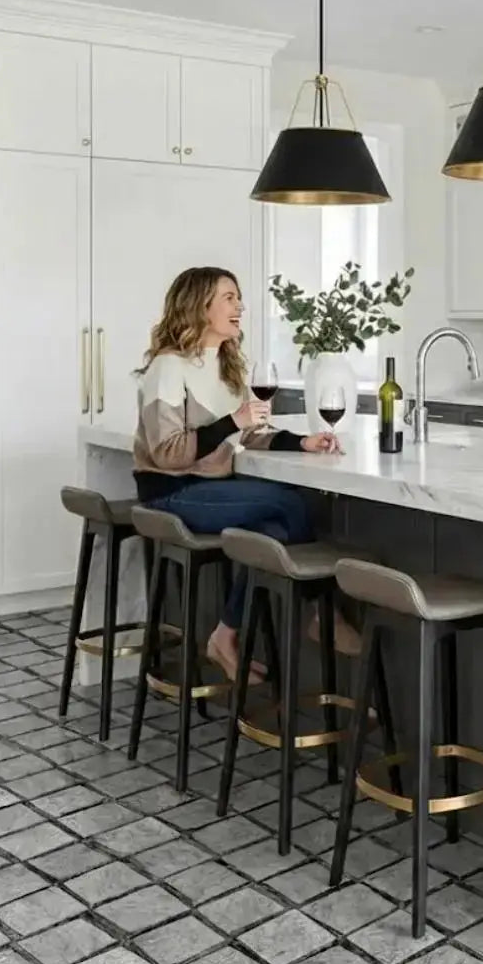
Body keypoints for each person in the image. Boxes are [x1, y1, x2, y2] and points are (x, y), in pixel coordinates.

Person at [132, 266, 352, 682]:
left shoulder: (227, 365)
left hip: (207, 487)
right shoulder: (168, 366)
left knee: (271, 532)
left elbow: (250, 434)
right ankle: (317, 612)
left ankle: (225, 634)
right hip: (170, 492)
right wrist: (232, 421)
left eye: (239, 298)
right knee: (289, 501)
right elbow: (167, 454)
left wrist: (301, 441)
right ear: (200, 306)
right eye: (229, 298)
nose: (240, 307)